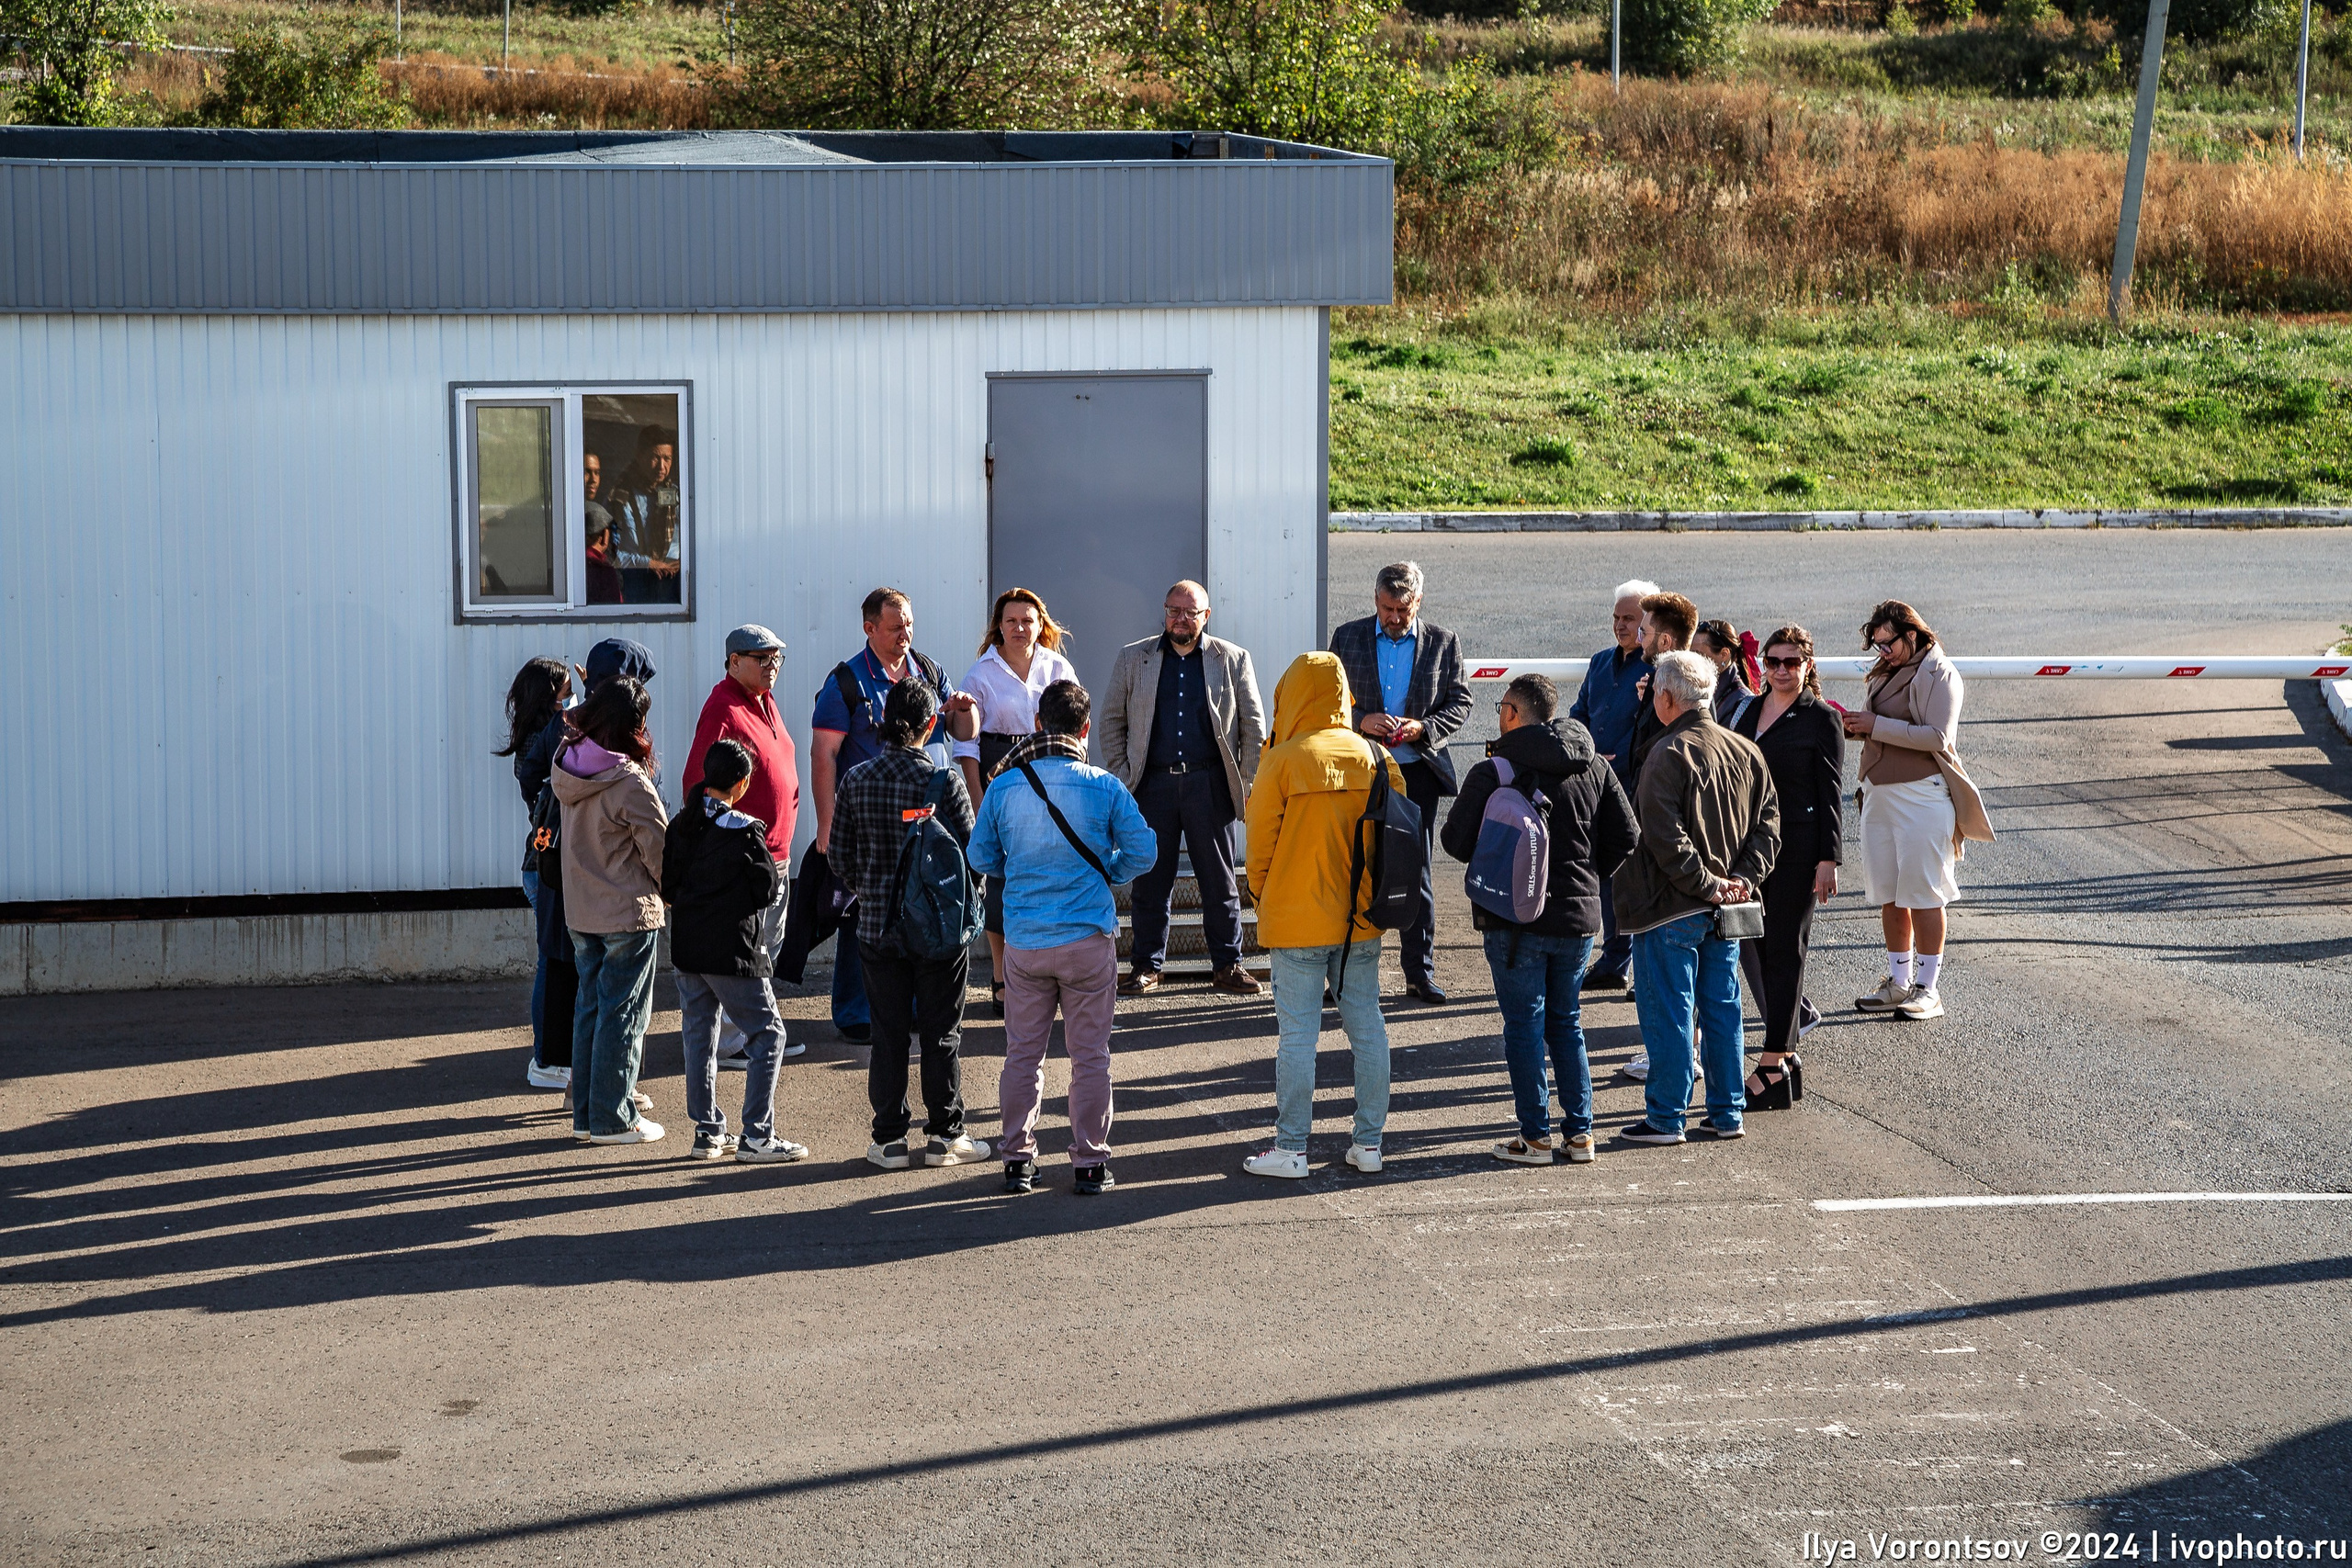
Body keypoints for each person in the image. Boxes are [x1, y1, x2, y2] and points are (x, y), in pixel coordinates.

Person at [967, 681, 1157, 1197]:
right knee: (1090, 1056)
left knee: (1022, 1057)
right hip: (1087, 939)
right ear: (1085, 729)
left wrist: (1022, 867)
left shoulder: (1004, 787)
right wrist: (1108, 870)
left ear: (1036, 725)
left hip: (1025, 940)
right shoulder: (1105, 786)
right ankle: (1090, 1164)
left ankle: (1017, 1161)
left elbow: (981, 858)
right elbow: (1145, 854)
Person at [1440, 674, 1637, 1168]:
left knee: (1523, 1026)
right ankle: (1581, 1135)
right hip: (1577, 918)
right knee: (1566, 1022)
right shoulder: (1592, 764)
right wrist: (1590, 875)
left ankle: (1534, 1137)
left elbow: (1454, 843)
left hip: (1514, 921)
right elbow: (1627, 835)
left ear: (1512, 713)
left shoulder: (1495, 771)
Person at [1239, 653, 1408, 1179]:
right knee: (1368, 1027)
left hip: (1296, 918)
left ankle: (1291, 1149)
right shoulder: (1377, 757)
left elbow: (1259, 846)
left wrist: (1265, 896)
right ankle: (1370, 1144)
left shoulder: (1284, 759)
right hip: (1361, 918)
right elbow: (1398, 839)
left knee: (1297, 1037)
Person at [1614, 651, 1781, 1146]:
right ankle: (1727, 1112)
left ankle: (1666, 1116)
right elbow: (1769, 827)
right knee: (1722, 1008)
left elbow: (1663, 837)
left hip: (1671, 906)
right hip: (1727, 905)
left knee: (1670, 1011)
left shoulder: (1667, 753)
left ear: (1665, 699)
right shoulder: (1747, 752)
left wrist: (1708, 882)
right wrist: (1740, 881)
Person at [828, 678, 992, 1172]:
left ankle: (890, 1141)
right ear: (930, 724)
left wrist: (875, 887)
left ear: (882, 721)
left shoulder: (856, 779)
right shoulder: (945, 783)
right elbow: (975, 854)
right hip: (940, 930)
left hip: (876, 926)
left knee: (888, 1033)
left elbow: (839, 857)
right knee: (942, 1033)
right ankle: (946, 1136)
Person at [809, 588, 980, 1043]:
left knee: (925, 911)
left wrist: (965, 712)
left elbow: (961, 734)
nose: (905, 633)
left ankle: (919, 1008)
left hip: (928, 817)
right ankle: (855, 1013)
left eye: (908, 624)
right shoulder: (847, 681)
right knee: (862, 913)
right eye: (894, 626)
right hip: (874, 817)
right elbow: (824, 754)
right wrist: (826, 826)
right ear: (870, 629)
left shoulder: (928, 671)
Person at [1099, 579, 1267, 998]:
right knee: (1151, 880)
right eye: (1174, 611)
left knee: (1219, 881)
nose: (1180, 619)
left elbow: (1254, 728)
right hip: (1151, 786)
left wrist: (1245, 784)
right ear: (1164, 612)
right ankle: (1146, 967)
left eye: (1190, 612)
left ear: (1206, 616)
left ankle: (1228, 965)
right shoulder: (1132, 658)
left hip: (1209, 785)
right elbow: (1110, 722)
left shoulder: (1232, 659)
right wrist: (1124, 777)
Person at [514, 638, 658, 1102]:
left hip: (571, 876)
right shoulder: (595, 738)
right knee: (607, 997)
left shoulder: (572, 737)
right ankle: (590, 1088)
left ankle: (582, 1087)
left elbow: (534, 774)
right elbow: (651, 838)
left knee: (583, 988)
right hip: (600, 886)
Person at [1328, 561, 1473, 1004]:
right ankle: (1342, 973)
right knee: (1350, 866)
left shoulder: (1444, 643)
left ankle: (1418, 971)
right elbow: (1326, 701)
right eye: (1388, 608)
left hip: (1415, 774)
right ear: (1375, 600)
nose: (1394, 617)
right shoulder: (1346, 638)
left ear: (1418, 603)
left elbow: (1460, 701)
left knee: (1417, 873)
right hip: (1360, 769)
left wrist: (1424, 728)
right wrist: (1359, 720)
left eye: (1403, 610)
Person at [663, 739, 811, 1164]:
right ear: (742, 784)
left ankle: (707, 1131)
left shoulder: (681, 825)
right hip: (734, 952)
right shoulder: (746, 830)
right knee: (769, 1034)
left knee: (699, 1036)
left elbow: (667, 886)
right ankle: (757, 1134)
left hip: (688, 950)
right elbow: (767, 888)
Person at [1846, 601, 1993, 1023]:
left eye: (1887, 643)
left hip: (1923, 797)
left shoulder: (1940, 672)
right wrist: (1855, 727)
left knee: (1925, 894)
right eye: (1876, 645)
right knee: (1889, 895)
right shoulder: (1888, 670)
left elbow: (1938, 736)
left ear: (1913, 634)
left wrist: (1874, 726)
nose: (1882, 652)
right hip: (1878, 794)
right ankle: (1898, 983)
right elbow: (1887, 731)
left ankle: (1928, 990)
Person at [551, 676, 671, 1146]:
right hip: (627, 911)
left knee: (591, 1010)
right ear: (633, 724)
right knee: (623, 1016)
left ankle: (586, 1114)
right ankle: (613, 1118)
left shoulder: (567, 762)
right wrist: (674, 893)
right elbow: (659, 850)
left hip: (581, 910)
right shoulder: (628, 780)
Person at [1733, 626, 1846, 1109]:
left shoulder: (1821, 719)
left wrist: (1829, 859)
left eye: (1791, 662)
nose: (1781, 670)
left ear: (1808, 666)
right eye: (1773, 661)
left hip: (1798, 851)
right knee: (1757, 952)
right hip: (1750, 848)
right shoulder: (1748, 710)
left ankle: (1772, 1062)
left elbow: (1831, 794)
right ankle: (1787, 1057)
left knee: (1784, 951)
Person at [682, 625, 803, 1068]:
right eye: (762, 658)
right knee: (749, 951)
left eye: (777, 659)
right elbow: (697, 779)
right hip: (745, 857)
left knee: (767, 945)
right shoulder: (723, 706)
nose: (772, 667)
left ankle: (755, 1031)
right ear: (734, 662)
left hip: (774, 853)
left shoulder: (762, 701)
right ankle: (737, 1041)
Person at [955, 588, 1080, 1014]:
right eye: (1011, 621)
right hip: (999, 771)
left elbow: (1075, 726)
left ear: (1040, 623)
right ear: (999, 626)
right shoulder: (981, 673)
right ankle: (1002, 976)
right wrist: (978, 798)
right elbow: (968, 748)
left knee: (1051, 869)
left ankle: (1052, 978)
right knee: (1003, 880)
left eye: (1027, 620)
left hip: (1051, 767)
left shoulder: (1058, 666)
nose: (1020, 628)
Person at [1568, 579, 1658, 993]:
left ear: (1648, 623)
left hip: (1634, 785)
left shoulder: (1659, 668)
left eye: (1631, 619)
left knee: (1635, 876)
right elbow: (1579, 713)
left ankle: (1637, 963)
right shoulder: (1600, 662)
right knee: (1605, 874)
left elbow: (1653, 726)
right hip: (1595, 784)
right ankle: (1614, 959)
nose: (1622, 626)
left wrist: (1616, 758)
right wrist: (1584, 752)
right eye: (1617, 618)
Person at [498, 656, 574, 1090]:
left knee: (555, 962)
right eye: (564, 689)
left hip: (541, 864)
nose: (570, 696)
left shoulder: (534, 735)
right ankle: (547, 1058)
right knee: (553, 964)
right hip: (545, 865)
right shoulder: (539, 742)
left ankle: (552, 1056)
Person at [607, 426, 683, 604]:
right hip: (635, 583)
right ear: (639, 456)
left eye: (667, 458)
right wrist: (646, 564)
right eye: (655, 457)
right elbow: (608, 552)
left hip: (674, 585)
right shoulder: (618, 497)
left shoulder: (679, 497)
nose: (662, 466)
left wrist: (684, 562)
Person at [1693, 619, 1761, 730]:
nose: (1690, 660)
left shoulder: (1742, 705)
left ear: (1724, 654)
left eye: (1698, 655)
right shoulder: (1700, 688)